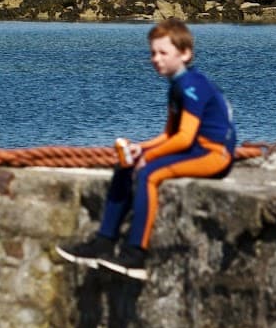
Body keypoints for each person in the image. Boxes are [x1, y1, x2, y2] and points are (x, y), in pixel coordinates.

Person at [55, 17, 238, 281]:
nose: (156, 59)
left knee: (149, 174)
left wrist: (148, 157)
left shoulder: (191, 85)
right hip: (196, 150)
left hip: (213, 154)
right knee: (125, 165)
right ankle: (103, 242)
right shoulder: (177, 87)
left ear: (185, 54)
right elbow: (168, 135)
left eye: (163, 53)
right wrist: (138, 148)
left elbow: (184, 139)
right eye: (153, 53)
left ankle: (136, 254)